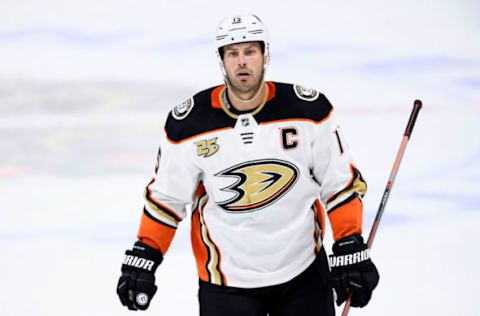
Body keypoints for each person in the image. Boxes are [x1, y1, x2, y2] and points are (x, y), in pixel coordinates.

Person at [116, 13, 379, 316]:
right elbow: (167, 199)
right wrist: (146, 254)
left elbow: (339, 184)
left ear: (266, 55)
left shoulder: (309, 111)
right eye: (233, 53)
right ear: (221, 60)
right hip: (226, 281)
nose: (242, 61)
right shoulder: (188, 125)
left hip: (304, 273)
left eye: (250, 51)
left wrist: (349, 244)